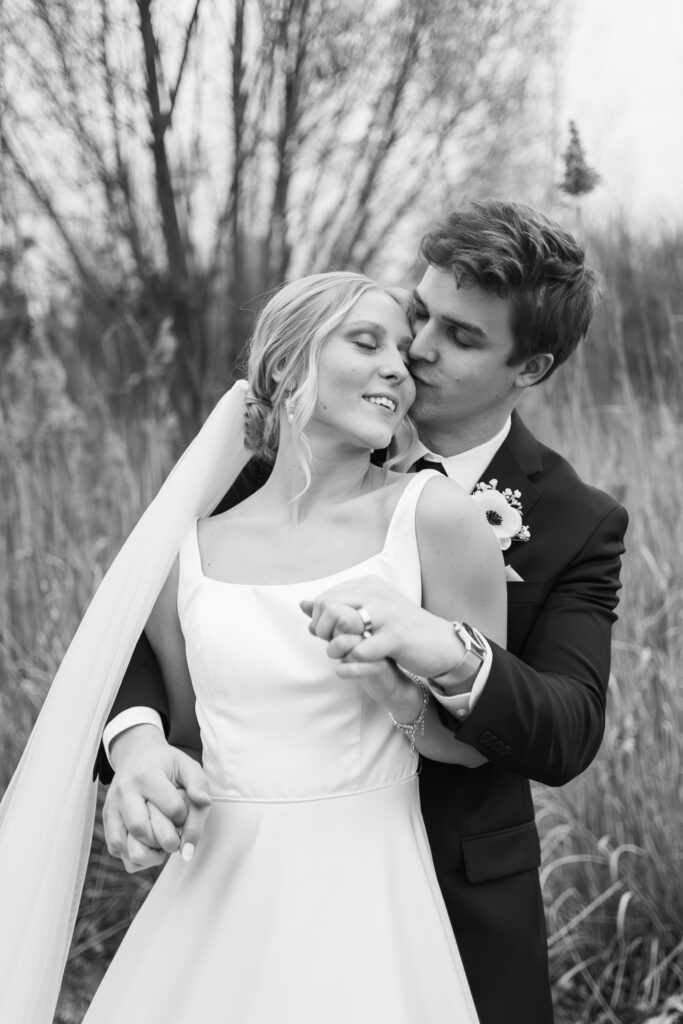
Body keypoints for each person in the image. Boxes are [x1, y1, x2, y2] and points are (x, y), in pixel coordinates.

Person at [99, 200, 629, 1024]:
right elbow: (140, 636)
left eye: (460, 338)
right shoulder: (256, 471)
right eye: (419, 313)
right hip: (243, 891)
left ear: (528, 369)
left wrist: (451, 655)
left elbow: (567, 726)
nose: (416, 350)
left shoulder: (573, 519)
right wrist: (134, 743)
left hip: (451, 903)